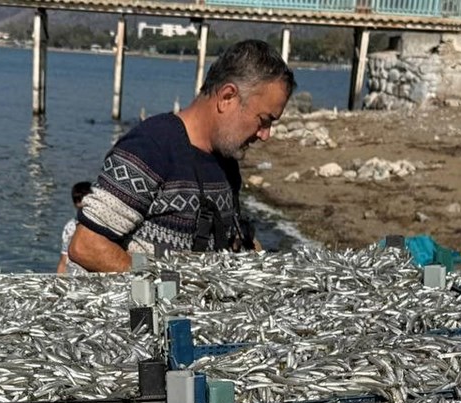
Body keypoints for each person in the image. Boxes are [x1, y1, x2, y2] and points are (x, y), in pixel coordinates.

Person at [68, 39, 295, 272]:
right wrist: (168, 283)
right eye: (264, 120)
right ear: (227, 97)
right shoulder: (150, 147)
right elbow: (86, 246)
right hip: (145, 308)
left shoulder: (226, 160)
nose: (266, 134)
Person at [57, 181, 93, 275]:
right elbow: (63, 260)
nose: (79, 203)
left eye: (82, 199)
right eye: (76, 200)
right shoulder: (70, 227)